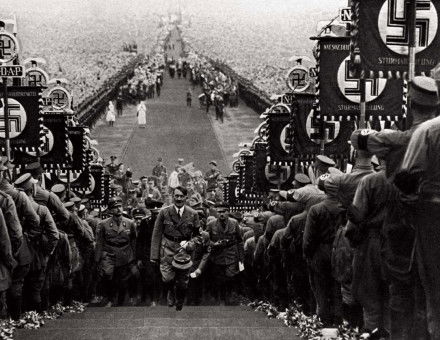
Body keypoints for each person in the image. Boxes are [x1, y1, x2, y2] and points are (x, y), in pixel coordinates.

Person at [393, 78, 440, 339]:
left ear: (411, 103)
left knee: (433, 287)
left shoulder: (429, 131)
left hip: (432, 214)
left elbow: (405, 177)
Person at [150, 186, 201, 311]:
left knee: (183, 282)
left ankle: (180, 298)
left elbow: (198, 236)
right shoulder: (164, 212)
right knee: (167, 278)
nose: (178, 199)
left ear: (186, 198)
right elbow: (156, 235)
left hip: (184, 251)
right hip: (167, 249)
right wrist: (154, 256)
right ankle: (170, 292)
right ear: (173, 197)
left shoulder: (193, 214)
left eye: (181, 196)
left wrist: (191, 244)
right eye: (176, 196)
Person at [95, 197, 137, 307]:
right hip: (109, 253)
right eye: (115, 207)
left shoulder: (130, 223)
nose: (118, 209)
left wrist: (134, 257)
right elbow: (100, 242)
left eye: (119, 206)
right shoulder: (103, 224)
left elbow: (134, 240)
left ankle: (120, 300)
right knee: (108, 275)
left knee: (122, 278)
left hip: (124, 253)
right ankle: (110, 298)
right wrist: (97, 259)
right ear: (110, 210)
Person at [206, 205, 243, 305]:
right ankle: (218, 300)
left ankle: (229, 298)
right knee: (218, 279)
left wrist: (241, 258)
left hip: (231, 255)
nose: (221, 214)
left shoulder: (234, 223)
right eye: (219, 212)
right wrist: (214, 244)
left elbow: (239, 241)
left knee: (230, 277)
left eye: (224, 211)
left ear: (228, 212)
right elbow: (205, 240)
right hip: (216, 256)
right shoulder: (211, 224)